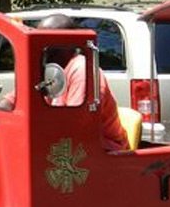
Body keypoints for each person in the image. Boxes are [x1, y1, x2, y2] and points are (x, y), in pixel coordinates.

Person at [39, 13, 129, 152]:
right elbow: (13, 100)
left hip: (102, 149)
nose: (42, 49)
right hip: (72, 144)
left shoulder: (82, 69)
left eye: (47, 43)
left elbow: (76, 125)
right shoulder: (50, 68)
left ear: (67, 44)